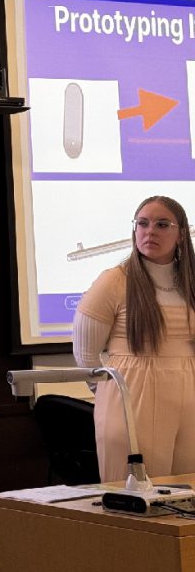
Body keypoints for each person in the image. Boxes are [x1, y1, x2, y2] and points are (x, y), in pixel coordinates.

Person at [73, 195, 195, 482]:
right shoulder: (114, 281)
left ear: (181, 234)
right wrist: (113, 393)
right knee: (138, 490)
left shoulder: (191, 282)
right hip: (132, 395)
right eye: (142, 223)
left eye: (161, 225)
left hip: (188, 394)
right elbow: (86, 355)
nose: (150, 231)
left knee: (187, 490)